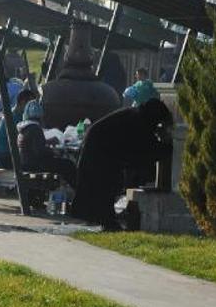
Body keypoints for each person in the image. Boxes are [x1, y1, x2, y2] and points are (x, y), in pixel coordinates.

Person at [72, 99, 173, 230]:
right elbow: (147, 150)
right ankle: (107, 221)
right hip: (100, 150)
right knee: (106, 185)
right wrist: (167, 147)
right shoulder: (139, 121)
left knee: (108, 185)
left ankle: (107, 220)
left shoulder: (136, 116)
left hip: (100, 146)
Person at [16, 100, 76, 184]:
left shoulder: (25, 128)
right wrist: (54, 151)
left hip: (26, 163)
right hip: (35, 165)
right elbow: (40, 152)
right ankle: (76, 188)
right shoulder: (35, 128)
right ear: (40, 117)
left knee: (64, 164)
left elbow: (33, 144)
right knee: (68, 165)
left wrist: (47, 141)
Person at [0, 89, 35, 169]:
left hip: (9, 154)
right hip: (8, 157)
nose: (32, 108)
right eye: (30, 104)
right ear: (23, 102)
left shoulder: (16, 114)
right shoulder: (14, 117)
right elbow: (25, 139)